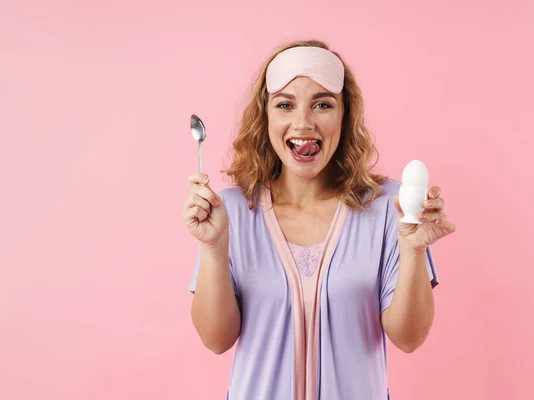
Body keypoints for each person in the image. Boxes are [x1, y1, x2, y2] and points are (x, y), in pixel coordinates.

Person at [182, 40, 456, 400]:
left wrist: (414, 251)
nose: (303, 123)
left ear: (345, 115)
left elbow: (409, 338)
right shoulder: (230, 211)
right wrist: (214, 248)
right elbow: (216, 340)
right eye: (285, 105)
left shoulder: (390, 207)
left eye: (322, 104)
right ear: (266, 116)